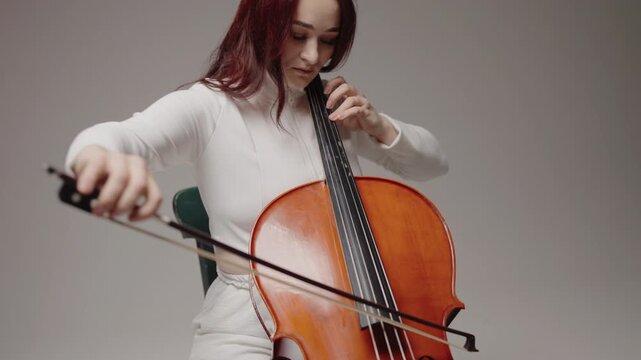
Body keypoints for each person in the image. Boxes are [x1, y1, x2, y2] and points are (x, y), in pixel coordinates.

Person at [64, 0, 449, 358]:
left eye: (328, 41)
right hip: (246, 323)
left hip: (353, 312)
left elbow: (432, 164)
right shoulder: (210, 107)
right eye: (298, 36)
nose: (314, 56)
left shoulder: (337, 110)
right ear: (264, 24)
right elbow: (120, 137)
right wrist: (97, 158)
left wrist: (378, 124)